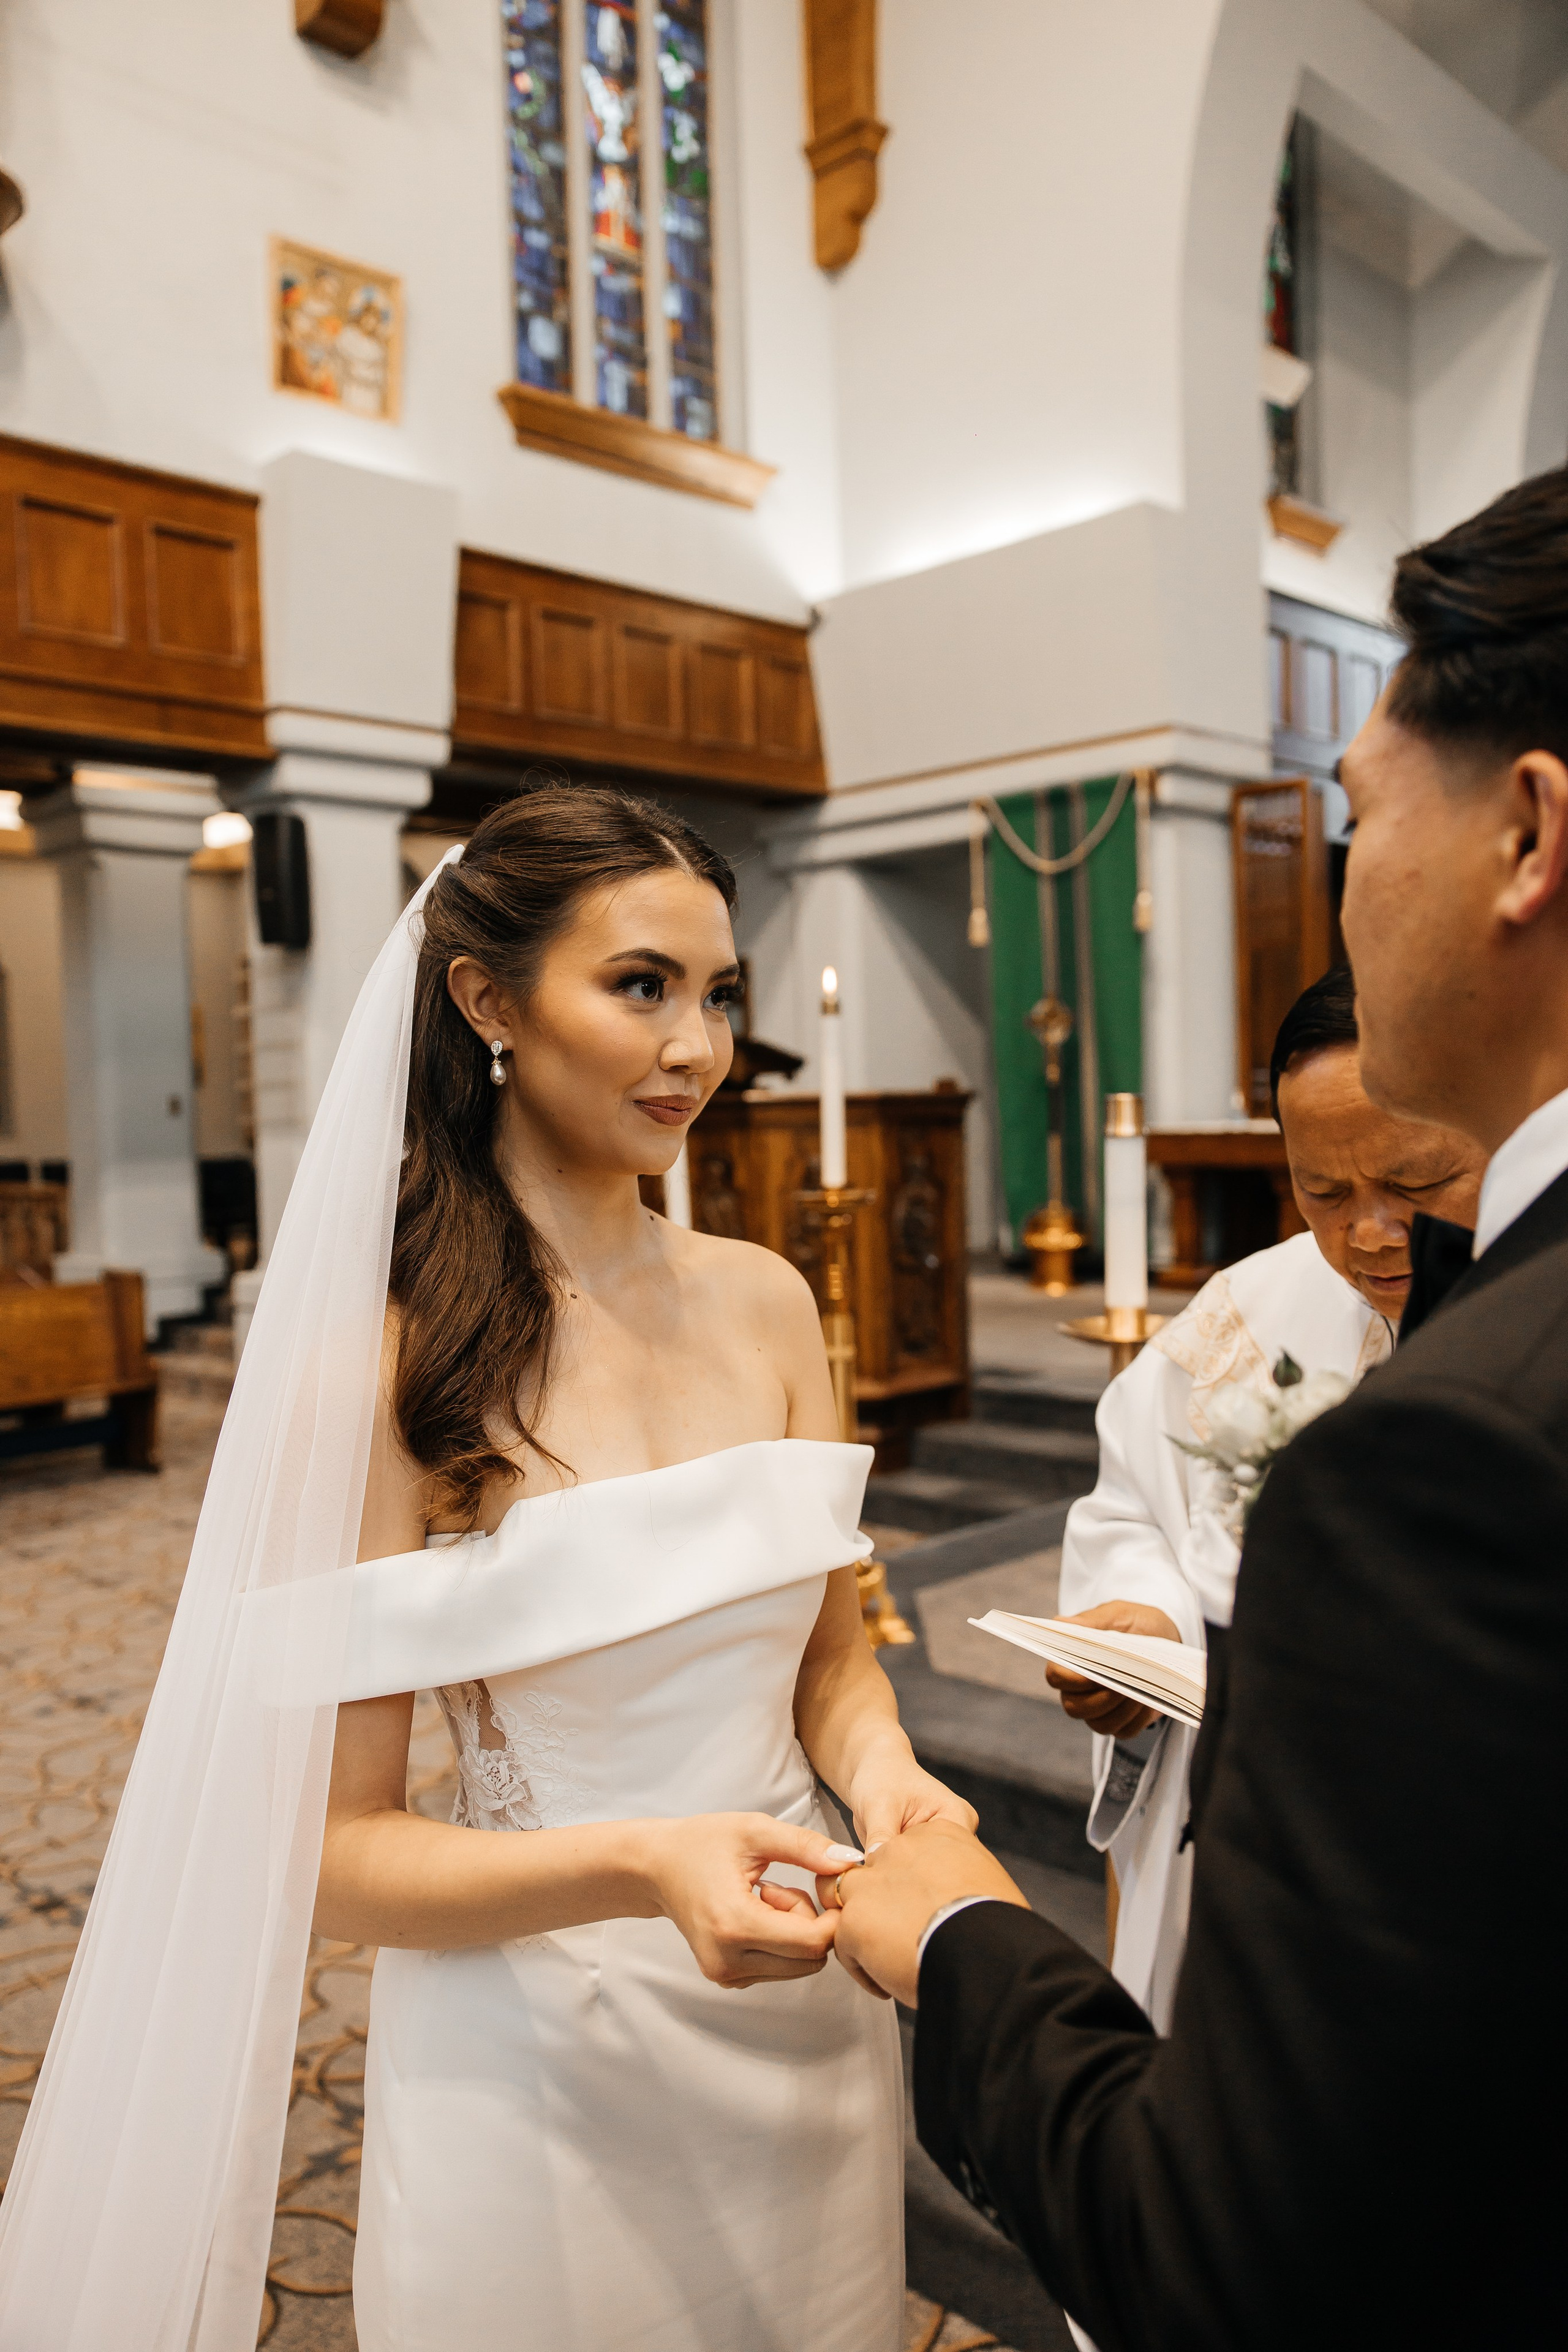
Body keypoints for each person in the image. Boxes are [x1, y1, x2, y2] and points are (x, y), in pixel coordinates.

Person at [0, 786, 974, 2351]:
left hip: (800, 2008)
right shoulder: (386, 1366)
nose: (698, 1046)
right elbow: (329, 1853)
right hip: (546, 2049)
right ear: (486, 1001)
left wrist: (889, 1777)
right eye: (640, 985)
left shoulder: (773, 1302)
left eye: (719, 992)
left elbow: (828, 1658)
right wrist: (640, 1868)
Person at [827, 464, 1568, 2350]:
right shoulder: (1241, 1327)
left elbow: (1240, 2258)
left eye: (1357, 816)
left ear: (1528, 832)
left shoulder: (1463, 1448)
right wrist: (1140, 1609)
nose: (1348, 874)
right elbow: (1136, 1506)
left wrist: (964, 1945)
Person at [1050, 965, 1484, 2029]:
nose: (1370, 1234)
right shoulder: (1251, 1306)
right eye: (1321, 1191)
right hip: (1248, 1834)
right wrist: (1146, 1620)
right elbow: (1136, 1508)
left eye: (1412, 1181)